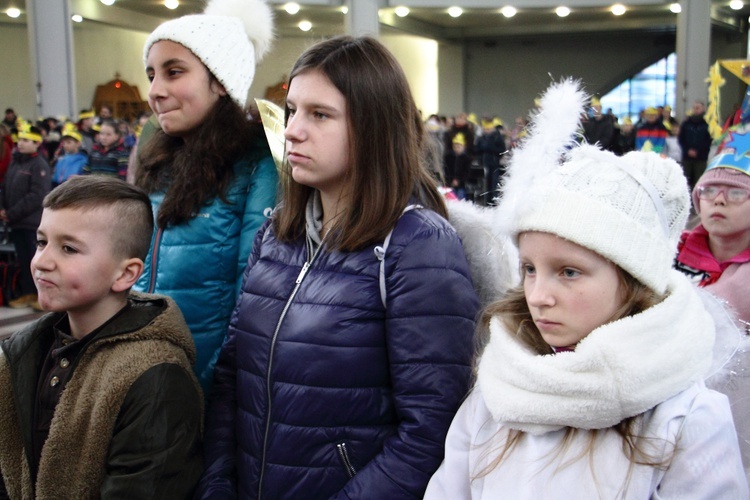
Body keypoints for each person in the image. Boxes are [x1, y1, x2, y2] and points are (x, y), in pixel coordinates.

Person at [425, 79, 747, 498]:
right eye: (529, 269)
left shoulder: (684, 417)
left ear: (632, 279)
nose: (538, 295)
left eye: (569, 272)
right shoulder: (499, 389)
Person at [198, 35, 480, 499]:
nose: (292, 131)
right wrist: (218, 485)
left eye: (319, 114)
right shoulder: (276, 236)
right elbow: (232, 378)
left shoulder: (417, 246)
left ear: (373, 127)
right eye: (291, 110)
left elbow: (431, 430)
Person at [0, 176, 202, 498]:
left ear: (125, 274)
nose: (41, 262)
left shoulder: (156, 378)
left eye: (68, 248)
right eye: (41, 242)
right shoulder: (23, 352)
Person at [135, 0, 278, 395]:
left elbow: (252, 295)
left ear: (220, 80)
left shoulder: (256, 164)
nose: (155, 92)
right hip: (145, 373)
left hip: (204, 385)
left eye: (173, 72)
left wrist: (214, 385)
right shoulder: (158, 161)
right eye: (151, 75)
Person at [1, 125, 50, 310]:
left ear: (37, 143)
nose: (20, 144)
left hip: (31, 222)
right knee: (23, 260)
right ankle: (28, 292)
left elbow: (37, 195)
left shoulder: (39, 165)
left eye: (25, 140)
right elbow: (5, 187)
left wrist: (12, 212)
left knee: (35, 260)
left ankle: (41, 295)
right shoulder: (16, 162)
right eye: (19, 140)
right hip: (16, 221)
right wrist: (3, 208)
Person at [679, 100, 713, 192]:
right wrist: (687, 150)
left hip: (701, 157)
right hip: (687, 157)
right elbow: (681, 139)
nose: (696, 110)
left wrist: (698, 151)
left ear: (703, 109)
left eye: (698, 108)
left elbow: (708, 141)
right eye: (694, 108)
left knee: (699, 179)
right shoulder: (686, 124)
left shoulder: (707, 124)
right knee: (685, 179)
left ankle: (698, 198)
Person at [475, 118, 507, 205]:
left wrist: (490, 149)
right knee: (485, 183)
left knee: (494, 183)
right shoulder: (481, 138)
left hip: (494, 163)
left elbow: (502, 150)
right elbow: (476, 149)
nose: (486, 131)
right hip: (484, 163)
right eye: (485, 129)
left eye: (488, 129)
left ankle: (493, 201)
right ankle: (486, 200)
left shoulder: (497, 137)